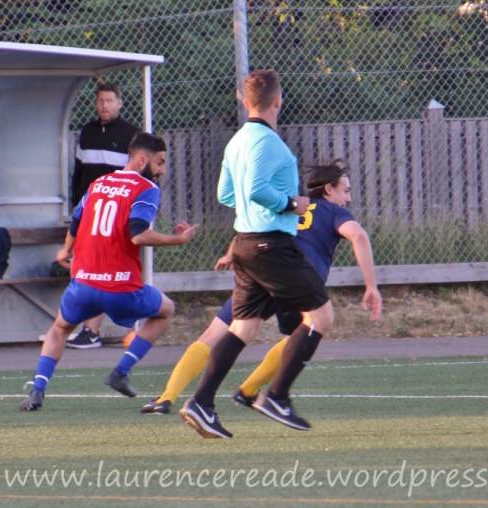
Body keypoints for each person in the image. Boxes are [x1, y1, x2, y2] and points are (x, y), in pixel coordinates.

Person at [141, 161, 382, 417]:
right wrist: (371, 285)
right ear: (329, 190)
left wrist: (230, 253)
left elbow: (254, 228)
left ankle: (166, 397)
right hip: (297, 279)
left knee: (216, 334)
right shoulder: (333, 211)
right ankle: (249, 391)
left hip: (262, 268)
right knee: (303, 334)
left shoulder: (291, 204)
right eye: (345, 191)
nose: (349, 198)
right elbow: (358, 235)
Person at [178, 69, 333, 438]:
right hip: (270, 245)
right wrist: (291, 204)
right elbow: (256, 190)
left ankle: (201, 402)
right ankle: (276, 396)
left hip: (246, 243)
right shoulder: (269, 143)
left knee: (242, 327)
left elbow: (226, 195)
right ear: (278, 100)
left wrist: (257, 210)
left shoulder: (236, 142)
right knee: (321, 317)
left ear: (245, 101)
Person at [19, 133, 199, 411]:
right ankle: (120, 372)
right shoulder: (146, 188)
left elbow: (76, 221)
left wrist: (65, 250)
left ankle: (37, 390)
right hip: (119, 287)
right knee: (166, 310)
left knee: (59, 329)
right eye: (160, 162)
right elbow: (138, 234)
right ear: (142, 159)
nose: (162, 170)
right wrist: (178, 239)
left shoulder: (98, 183)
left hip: (84, 283)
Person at [67, 81, 141, 349]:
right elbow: (79, 173)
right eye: (100, 100)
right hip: (89, 213)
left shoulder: (131, 134)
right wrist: (76, 207)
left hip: (116, 215)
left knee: (108, 268)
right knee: (88, 268)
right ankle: (88, 330)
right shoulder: (87, 132)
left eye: (109, 100)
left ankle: (97, 330)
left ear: (119, 103)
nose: (104, 105)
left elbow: (139, 177)